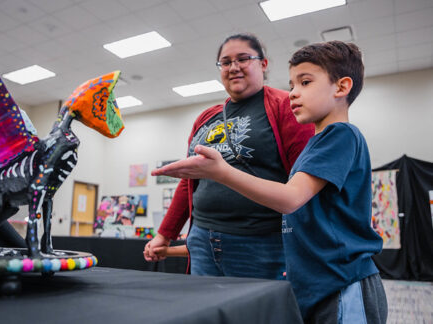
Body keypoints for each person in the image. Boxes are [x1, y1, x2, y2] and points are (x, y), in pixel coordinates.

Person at [151, 41, 387, 323]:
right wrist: (172, 245)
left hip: (342, 282)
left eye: (305, 82)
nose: (293, 93)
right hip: (315, 283)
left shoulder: (341, 135)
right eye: (292, 84)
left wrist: (221, 172)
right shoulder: (316, 145)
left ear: (341, 87)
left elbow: (290, 198)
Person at [143, 33, 314, 280]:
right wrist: (164, 234)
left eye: (243, 59)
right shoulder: (205, 118)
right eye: (226, 62)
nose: (234, 67)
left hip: (262, 244)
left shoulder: (285, 105)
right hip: (202, 239)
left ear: (263, 64)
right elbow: (188, 182)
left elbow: (303, 179)